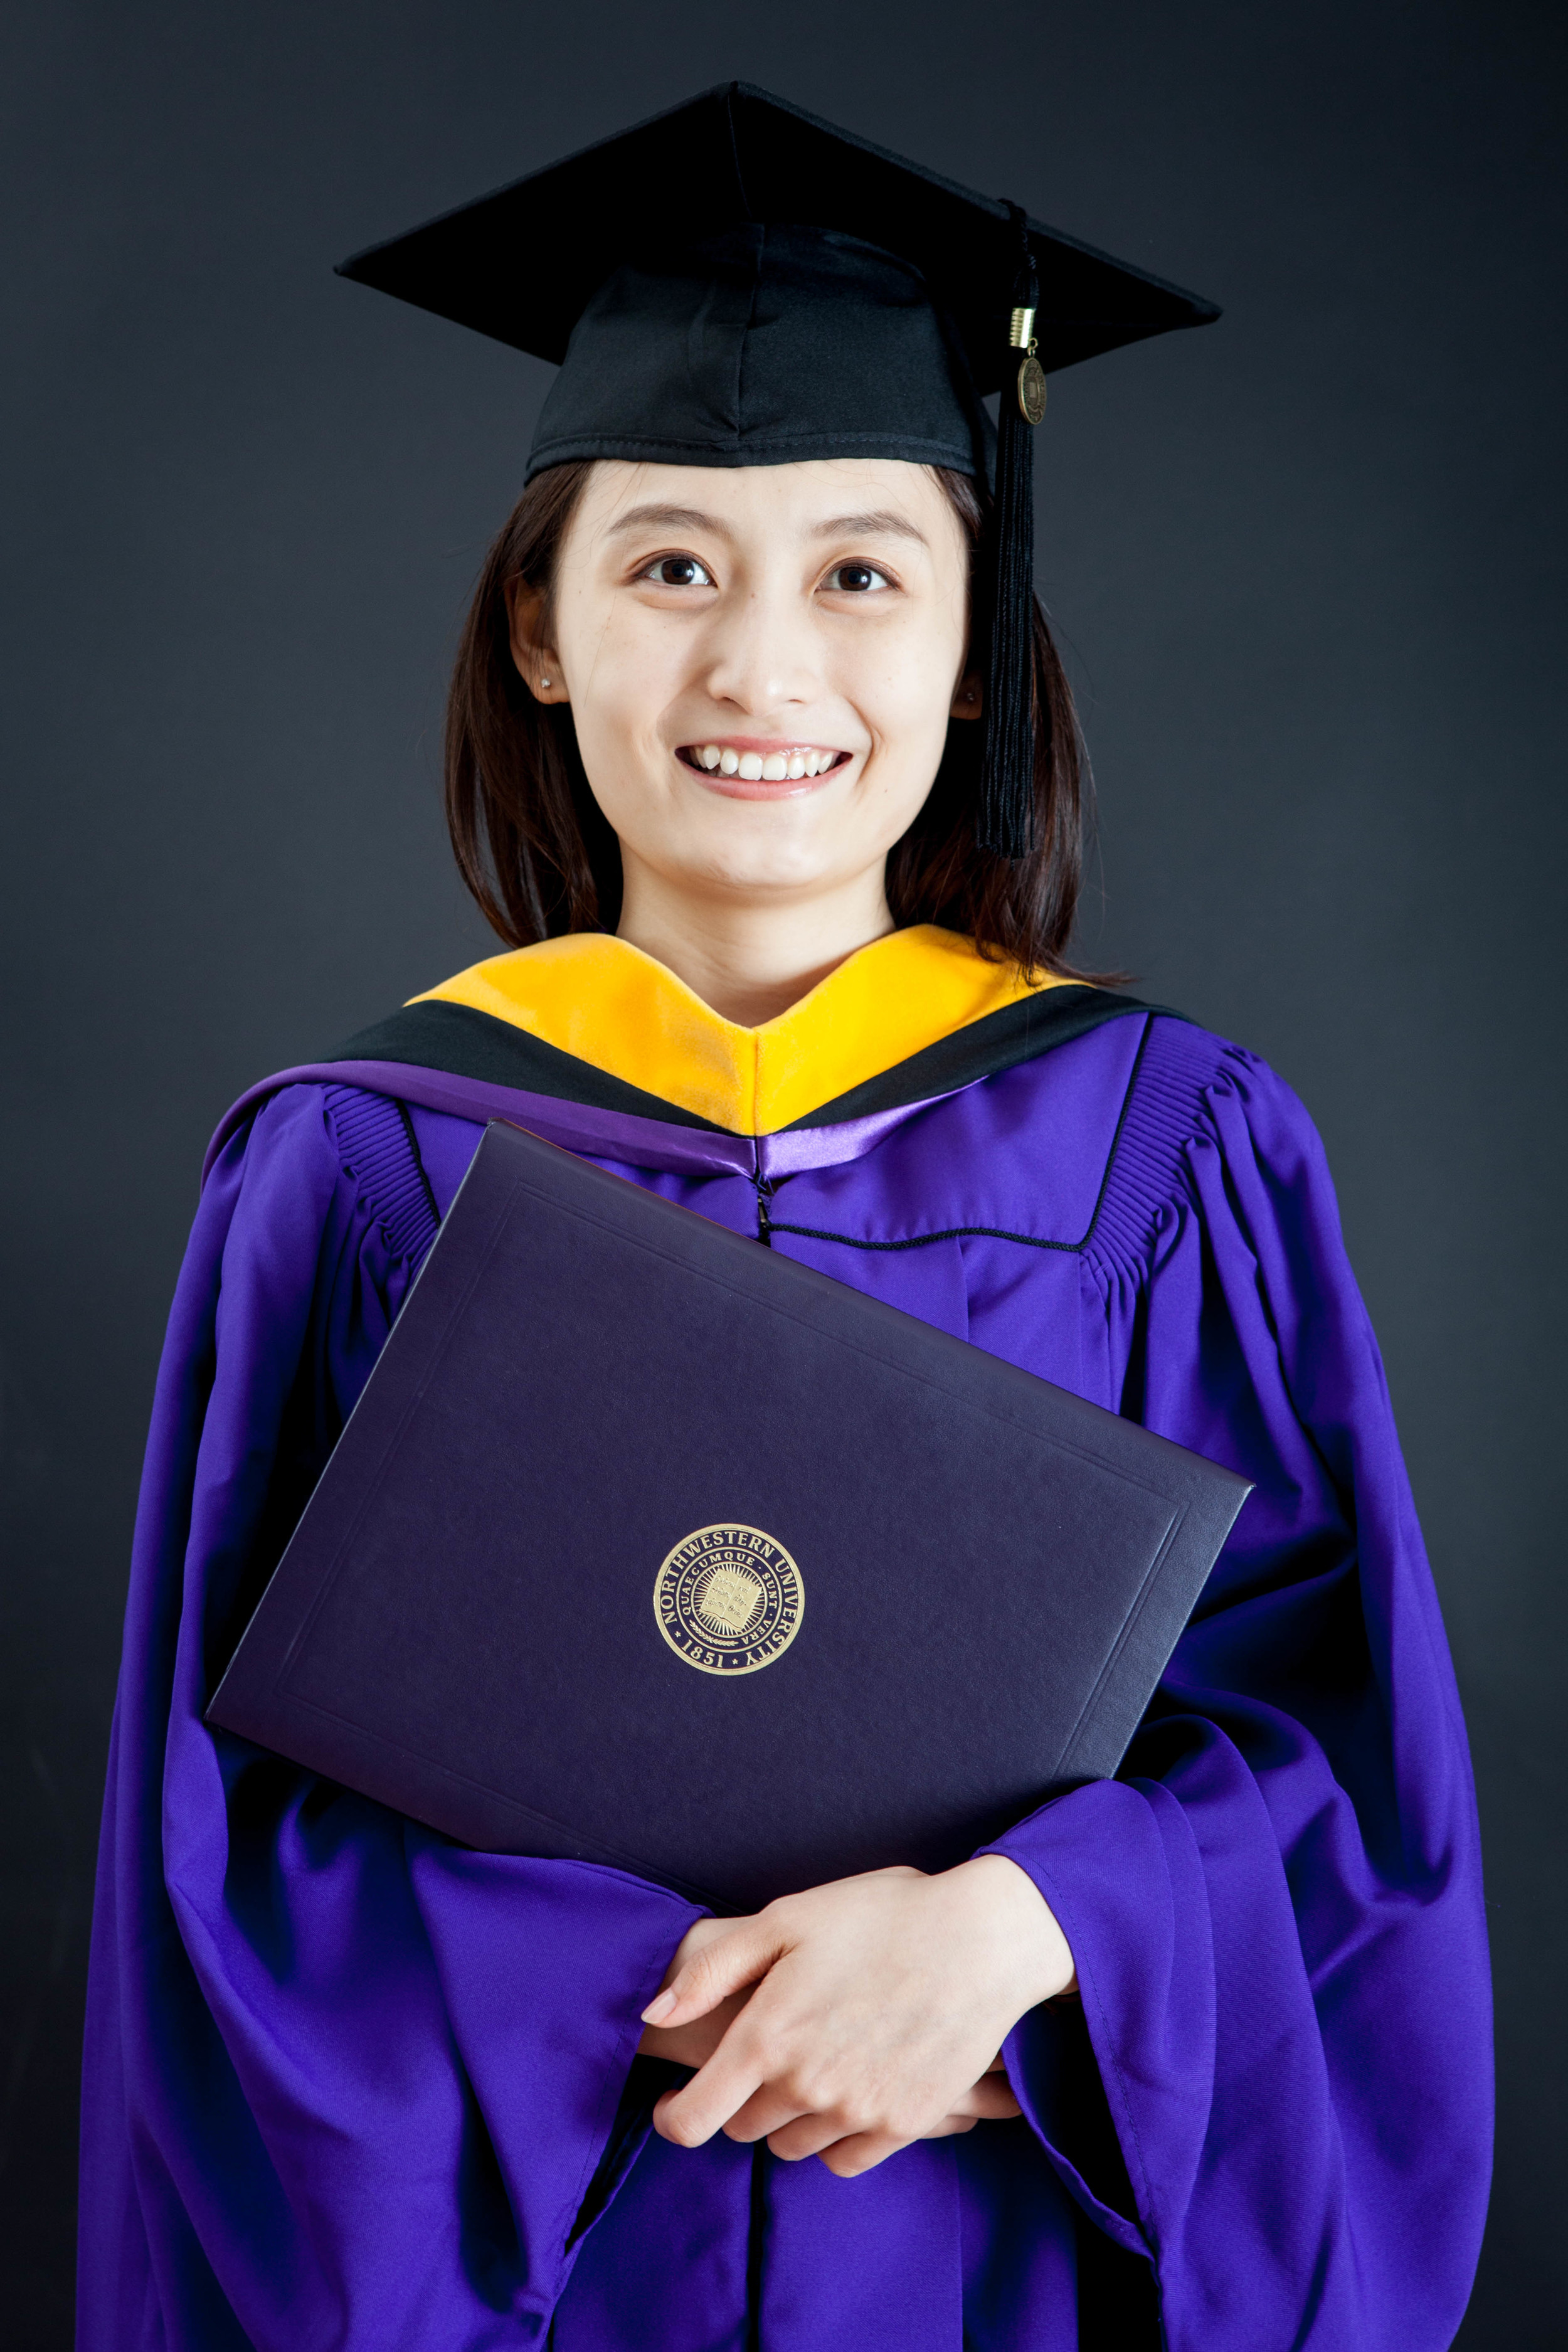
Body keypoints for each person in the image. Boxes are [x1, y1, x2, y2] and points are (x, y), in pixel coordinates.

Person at [77, 83, 1491, 2352]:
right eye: (667, 565)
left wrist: (1025, 1948)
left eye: (858, 570)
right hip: (562, 2287)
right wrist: (719, 1997)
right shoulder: (354, 1171)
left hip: (1005, 2257)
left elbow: (1341, 1781)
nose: (760, 667)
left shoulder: (1167, 1148)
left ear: (967, 635)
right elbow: (223, 1861)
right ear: (539, 629)